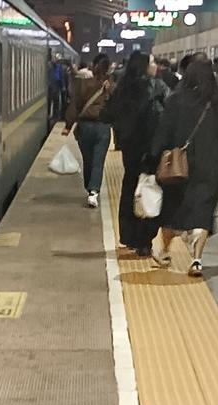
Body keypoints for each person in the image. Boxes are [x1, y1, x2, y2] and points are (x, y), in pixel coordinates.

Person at [152, 54, 218, 277]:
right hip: (209, 163)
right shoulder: (217, 101)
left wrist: (155, 155)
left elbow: (164, 130)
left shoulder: (176, 100)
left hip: (180, 164)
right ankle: (197, 259)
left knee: (173, 209)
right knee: (203, 211)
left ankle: (164, 251)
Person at [110, 50, 164, 255]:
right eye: (152, 62)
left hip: (129, 148)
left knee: (129, 187)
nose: (155, 65)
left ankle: (128, 235)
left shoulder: (122, 87)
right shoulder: (156, 86)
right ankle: (144, 239)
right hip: (150, 148)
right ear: (144, 66)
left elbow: (110, 114)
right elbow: (166, 113)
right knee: (149, 189)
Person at [65, 54, 113, 207]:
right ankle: (93, 192)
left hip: (85, 126)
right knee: (98, 161)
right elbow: (117, 106)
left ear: (94, 66)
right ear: (108, 68)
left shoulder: (85, 84)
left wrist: (68, 125)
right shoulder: (112, 85)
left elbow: (76, 104)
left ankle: (89, 187)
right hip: (103, 127)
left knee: (88, 159)